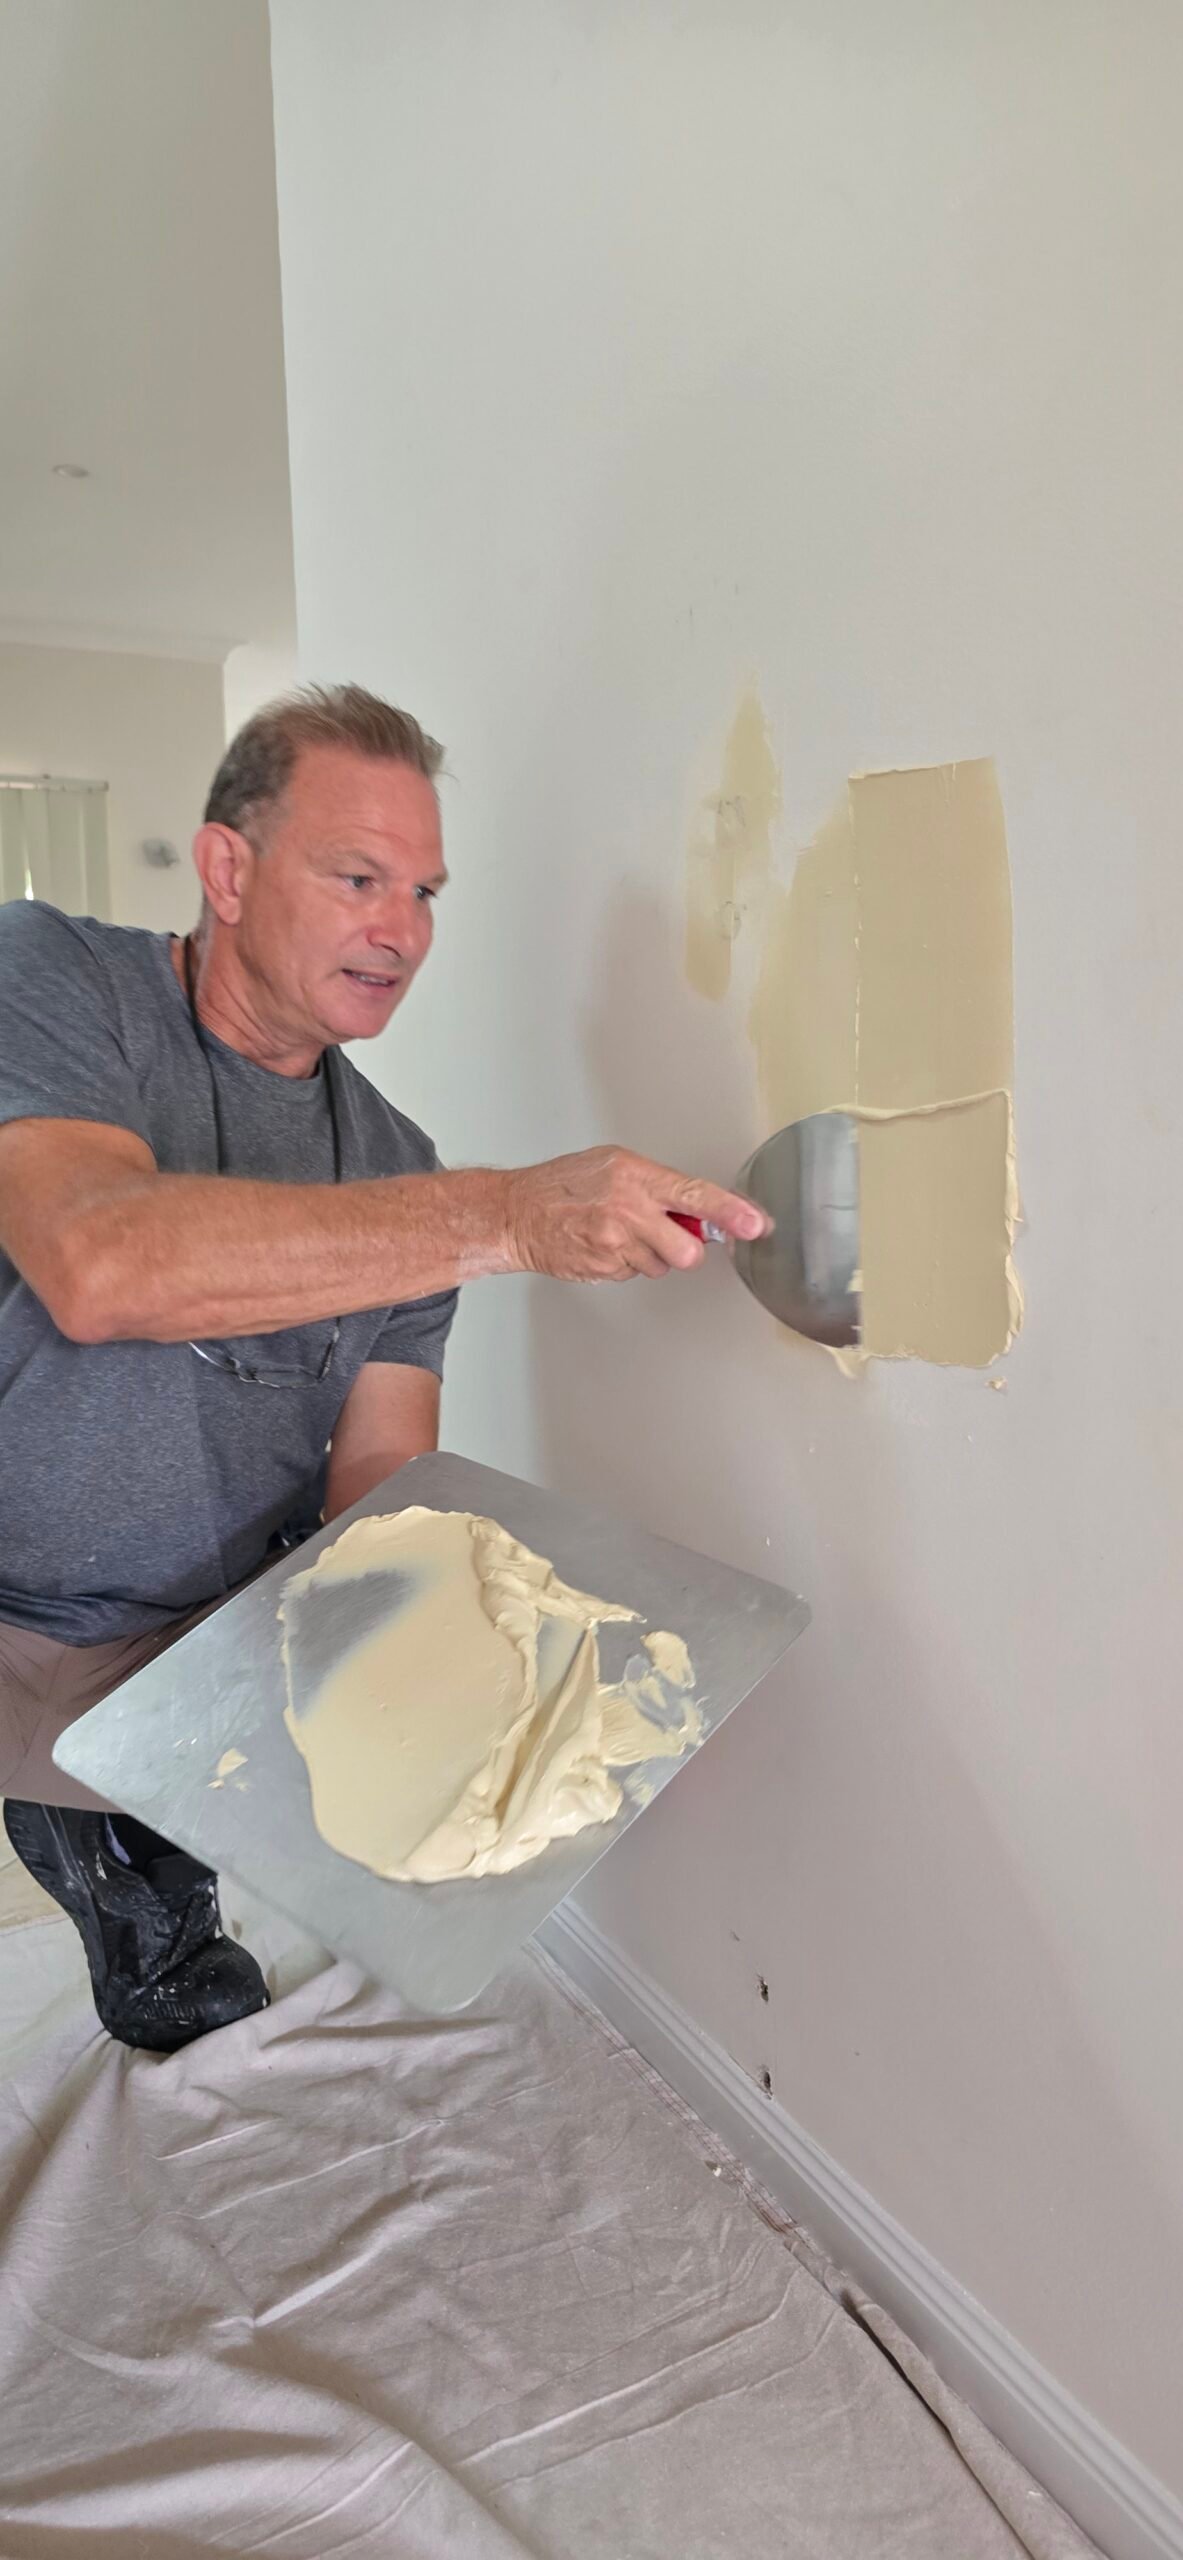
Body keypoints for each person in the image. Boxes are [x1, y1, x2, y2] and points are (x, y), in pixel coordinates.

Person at [0, 683, 768, 2054]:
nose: (401, 930)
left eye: (424, 893)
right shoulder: (53, 978)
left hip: (218, 1622)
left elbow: (380, 1480)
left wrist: (511, 1681)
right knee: (100, 1808)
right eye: (358, 877)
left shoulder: (399, 1166)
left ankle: (143, 1850)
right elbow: (98, 1263)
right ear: (228, 869)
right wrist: (508, 1216)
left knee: (215, 1893)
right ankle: (91, 1831)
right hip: (24, 1612)